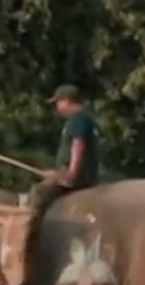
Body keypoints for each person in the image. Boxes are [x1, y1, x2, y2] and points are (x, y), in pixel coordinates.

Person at [27, 84, 100, 214]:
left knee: (39, 193)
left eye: (57, 102)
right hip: (77, 173)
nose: (56, 107)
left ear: (66, 100)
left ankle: (32, 233)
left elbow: (78, 145)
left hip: (79, 176)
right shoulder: (83, 118)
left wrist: (70, 173)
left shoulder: (78, 119)